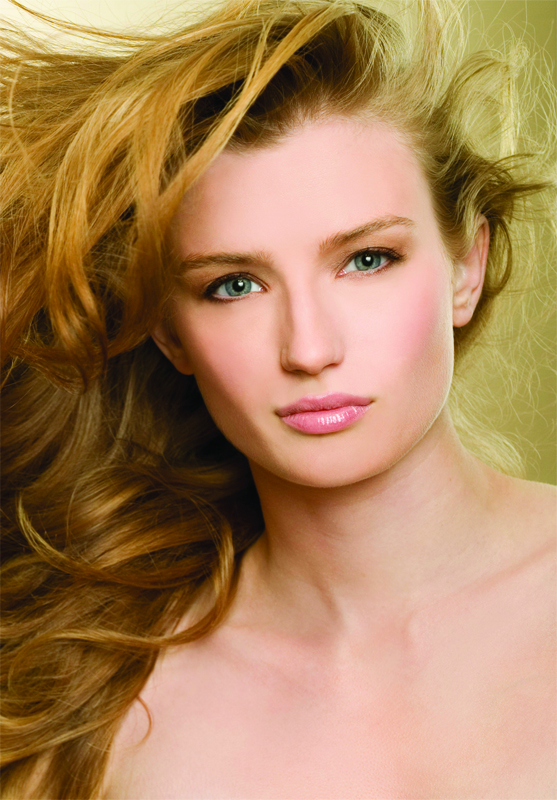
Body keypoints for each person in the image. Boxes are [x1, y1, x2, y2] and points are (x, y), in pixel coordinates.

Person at [1, 0, 556, 797]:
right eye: (234, 285)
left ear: (465, 265)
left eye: (366, 259)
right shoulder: (109, 714)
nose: (308, 348)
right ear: (170, 334)